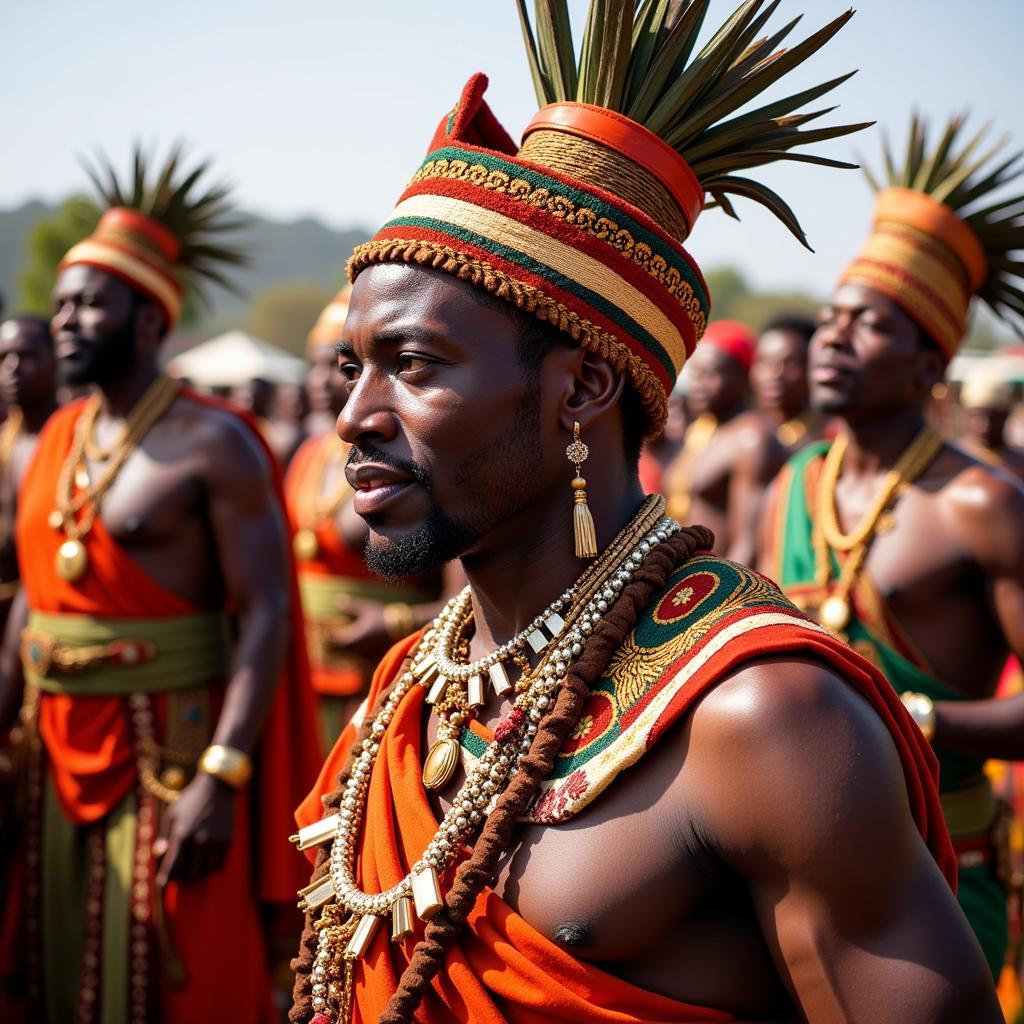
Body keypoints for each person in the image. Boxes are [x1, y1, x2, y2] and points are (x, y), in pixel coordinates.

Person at [288, 5, 999, 1020]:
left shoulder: (762, 721)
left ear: (581, 390)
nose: (355, 415)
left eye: (412, 365)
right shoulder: (408, 689)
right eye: (356, 366)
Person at [0, 147, 321, 1023]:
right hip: (50, 749)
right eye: (60, 303)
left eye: (90, 303)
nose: (66, 321)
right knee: (47, 958)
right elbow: (31, 596)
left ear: (148, 319)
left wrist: (223, 775)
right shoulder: (49, 440)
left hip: (168, 755)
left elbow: (264, 615)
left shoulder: (214, 443)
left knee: (183, 973)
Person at [760, 113, 1024, 982]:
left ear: (927, 363)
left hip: (947, 868)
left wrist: (924, 722)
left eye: (869, 324)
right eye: (831, 317)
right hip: (798, 865)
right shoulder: (793, 485)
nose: (833, 337)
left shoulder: (981, 504)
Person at [286, 290, 445, 747]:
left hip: (381, 682)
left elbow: (470, 594)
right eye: (313, 366)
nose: (319, 381)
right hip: (304, 679)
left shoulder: (412, 463)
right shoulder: (308, 456)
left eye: (341, 369)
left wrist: (395, 623)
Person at [663, 320, 784, 565]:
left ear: (743, 377)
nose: (698, 385)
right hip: (687, 581)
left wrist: (725, 598)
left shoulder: (750, 440)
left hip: (719, 587)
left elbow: (748, 546)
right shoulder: (704, 432)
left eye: (711, 374)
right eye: (696, 373)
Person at [0, 316, 59, 629]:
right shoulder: (5, 444)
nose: (12, 367)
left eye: (26, 356)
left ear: (56, 359)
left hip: (49, 614)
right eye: (4, 357)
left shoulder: (74, 441)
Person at [750, 312, 829, 453]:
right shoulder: (744, 434)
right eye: (765, 361)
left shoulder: (830, 437)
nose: (774, 373)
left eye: (789, 363)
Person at [960, 372, 1024, 482]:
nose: (984, 426)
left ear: (1005, 415)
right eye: (975, 416)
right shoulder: (955, 460)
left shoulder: (1019, 464)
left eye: (993, 417)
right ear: (966, 414)